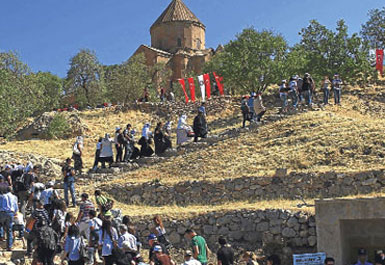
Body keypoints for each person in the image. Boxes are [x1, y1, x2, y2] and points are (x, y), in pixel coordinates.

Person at [0, 186, 18, 251]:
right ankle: (9, 246)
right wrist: (15, 213)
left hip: (2, 212)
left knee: (0, 224)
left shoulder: (2, 196)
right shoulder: (14, 197)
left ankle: (1, 236)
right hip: (10, 213)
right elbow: (16, 206)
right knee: (9, 230)